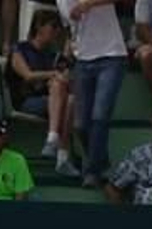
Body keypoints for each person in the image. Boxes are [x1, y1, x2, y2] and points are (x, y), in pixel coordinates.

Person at [60, 0, 127, 185]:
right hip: (83, 57)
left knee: (99, 116)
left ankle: (92, 171)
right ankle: (100, 160)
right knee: (80, 124)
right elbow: (70, 26)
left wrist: (88, 4)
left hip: (112, 54)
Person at [9, 8, 77, 177]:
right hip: (26, 100)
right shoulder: (20, 48)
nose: (56, 31)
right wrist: (53, 74)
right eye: (53, 26)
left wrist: (64, 67)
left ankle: (57, 149)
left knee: (70, 99)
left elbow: (64, 77)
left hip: (51, 100)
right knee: (59, 87)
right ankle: (58, 147)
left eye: (58, 28)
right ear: (39, 26)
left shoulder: (52, 55)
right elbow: (27, 75)